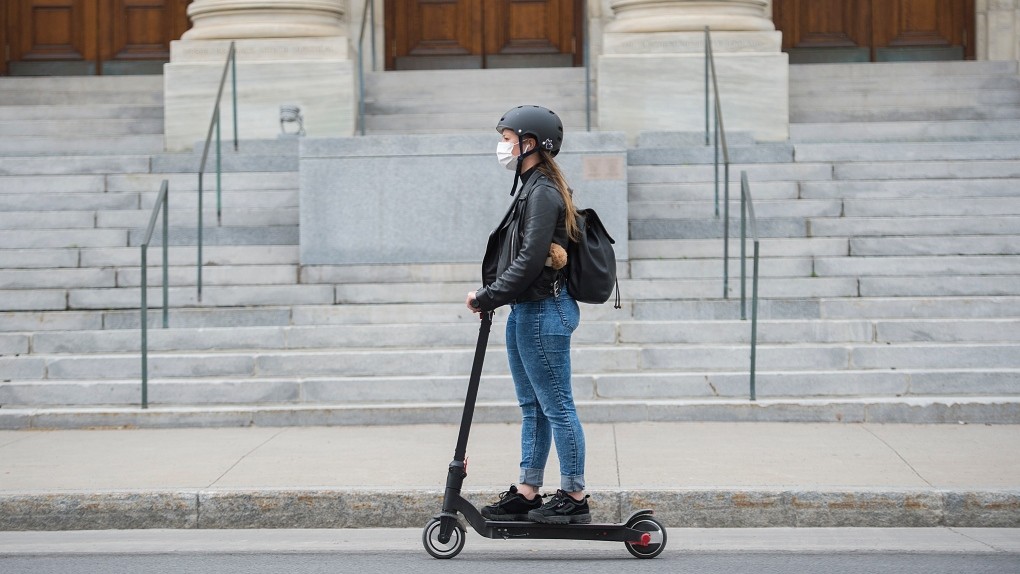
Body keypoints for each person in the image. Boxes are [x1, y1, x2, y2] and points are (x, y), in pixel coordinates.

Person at [465, 105, 590, 525]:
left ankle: (574, 495)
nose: (502, 146)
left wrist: (488, 296)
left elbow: (531, 259)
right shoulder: (530, 187)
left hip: (543, 310)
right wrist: (499, 298)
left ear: (530, 144)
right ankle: (528, 490)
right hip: (526, 310)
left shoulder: (543, 192)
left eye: (507, 138)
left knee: (557, 406)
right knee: (532, 406)